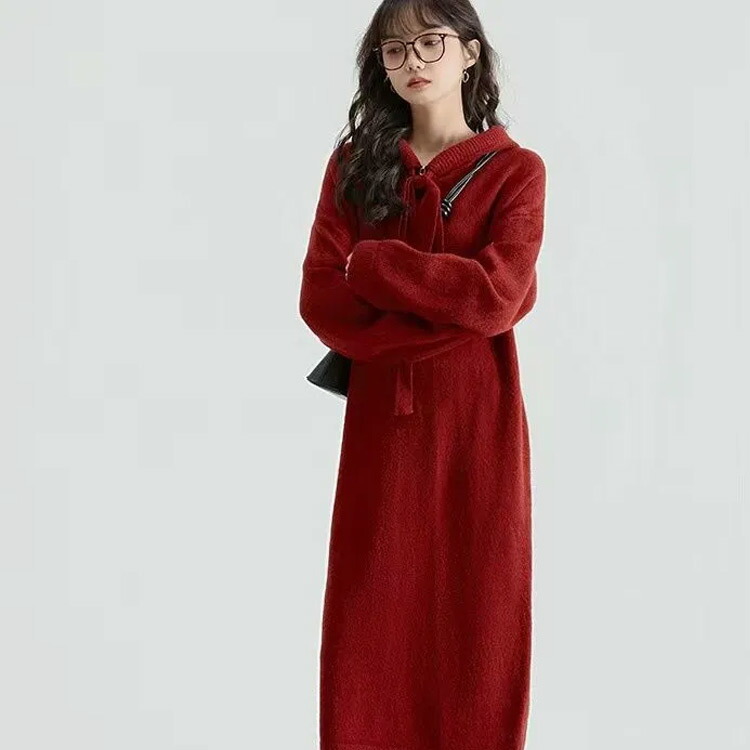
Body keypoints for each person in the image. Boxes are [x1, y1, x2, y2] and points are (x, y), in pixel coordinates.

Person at [298, 1, 547, 748]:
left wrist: (377, 266)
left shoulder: (516, 173)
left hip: (478, 425)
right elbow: (320, 297)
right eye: (395, 49)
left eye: (431, 43)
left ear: (469, 52)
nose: (413, 62)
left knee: (479, 615)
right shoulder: (355, 165)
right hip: (382, 427)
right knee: (370, 616)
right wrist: (457, 310)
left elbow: (499, 293)